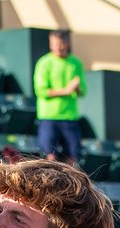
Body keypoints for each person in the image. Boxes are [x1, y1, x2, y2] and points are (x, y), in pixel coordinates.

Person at [33, 30, 85, 163]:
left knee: (72, 158)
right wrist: (66, 90)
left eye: (60, 43)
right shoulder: (44, 63)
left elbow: (83, 91)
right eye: (53, 43)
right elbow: (41, 91)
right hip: (49, 117)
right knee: (49, 157)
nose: (57, 47)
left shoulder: (76, 63)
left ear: (67, 43)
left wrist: (77, 87)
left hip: (69, 117)